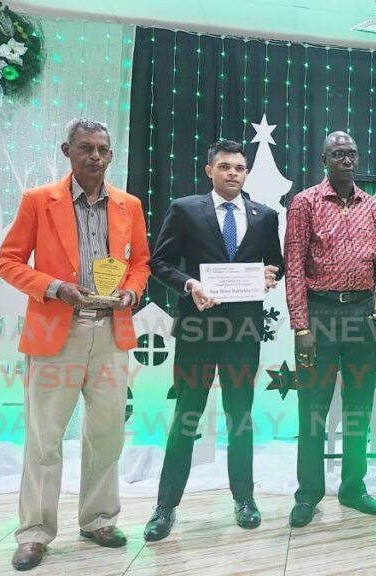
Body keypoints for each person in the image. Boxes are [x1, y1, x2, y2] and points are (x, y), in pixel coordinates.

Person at [0, 118, 151, 571]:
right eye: (85, 148)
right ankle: (34, 532)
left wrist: (132, 292)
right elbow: (7, 262)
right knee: (45, 438)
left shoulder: (129, 205)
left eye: (103, 149)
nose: (95, 157)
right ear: (67, 151)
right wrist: (52, 287)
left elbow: (140, 263)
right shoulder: (38, 201)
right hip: (55, 333)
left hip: (110, 333)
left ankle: (99, 519)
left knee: (106, 433)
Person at [144, 139, 284, 541]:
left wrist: (272, 275)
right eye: (224, 167)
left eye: (239, 167)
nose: (233, 173)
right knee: (187, 417)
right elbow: (160, 263)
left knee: (240, 417)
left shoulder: (264, 216)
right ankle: (165, 507)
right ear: (210, 171)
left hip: (243, 331)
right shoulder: (186, 209)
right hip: (197, 329)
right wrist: (190, 285)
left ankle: (245, 499)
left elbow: (275, 263)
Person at [285, 131, 376, 528]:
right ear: (324, 159)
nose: (347, 160)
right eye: (338, 154)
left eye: (352, 154)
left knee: (359, 409)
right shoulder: (305, 203)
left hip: (364, 315)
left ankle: (353, 487)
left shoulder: (373, 207)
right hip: (320, 315)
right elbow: (294, 267)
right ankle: (308, 494)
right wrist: (300, 326)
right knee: (312, 409)